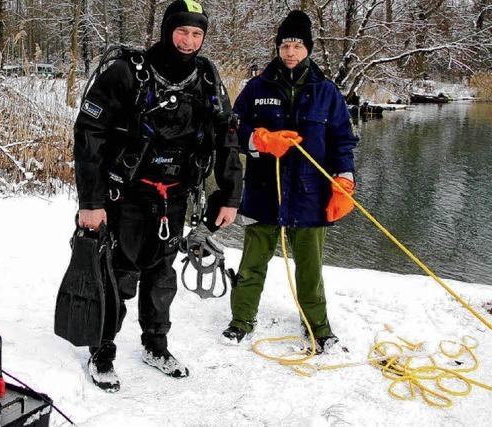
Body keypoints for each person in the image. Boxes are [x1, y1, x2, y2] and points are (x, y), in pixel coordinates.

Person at [73, 0, 242, 392]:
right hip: (125, 195)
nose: (188, 41)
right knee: (118, 273)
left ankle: (156, 344)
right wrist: (91, 202)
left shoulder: (206, 78)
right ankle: (102, 349)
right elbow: (89, 135)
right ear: (167, 30)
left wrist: (231, 194)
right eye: (182, 31)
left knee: (162, 275)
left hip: (175, 196)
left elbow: (227, 137)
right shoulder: (126, 73)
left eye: (197, 33)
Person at [221, 10, 358, 354]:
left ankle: (318, 327)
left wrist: (345, 179)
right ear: (278, 48)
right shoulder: (256, 88)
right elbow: (233, 130)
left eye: (297, 45)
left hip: (311, 195)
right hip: (263, 192)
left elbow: (343, 140)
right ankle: (241, 320)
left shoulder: (327, 92)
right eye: (285, 45)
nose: (290, 52)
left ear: (308, 48)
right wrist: (261, 139)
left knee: (310, 270)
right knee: (252, 263)